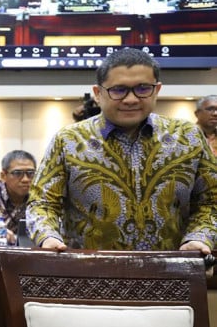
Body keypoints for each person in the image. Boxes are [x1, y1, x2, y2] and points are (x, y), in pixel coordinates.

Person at [27, 48, 217, 252]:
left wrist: (199, 238)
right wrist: (48, 237)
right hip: (88, 268)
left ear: (157, 90)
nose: (131, 99)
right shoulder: (68, 141)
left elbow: (211, 201)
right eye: (118, 90)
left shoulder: (187, 137)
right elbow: (42, 203)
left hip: (171, 267)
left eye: (143, 88)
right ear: (98, 94)